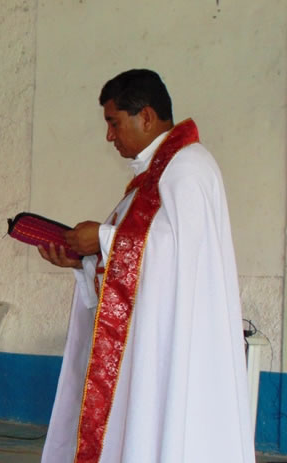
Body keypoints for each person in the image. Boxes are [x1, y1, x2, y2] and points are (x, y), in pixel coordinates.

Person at [38, 69, 254, 462]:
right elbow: (143, 261)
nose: (109, 136)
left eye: (114, 123)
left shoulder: (188, 168)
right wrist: (85, 260)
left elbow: (179, 256)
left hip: (175, 350)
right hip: (148, 347)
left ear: (147, 117)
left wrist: (104, 239)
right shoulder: (150, 180)